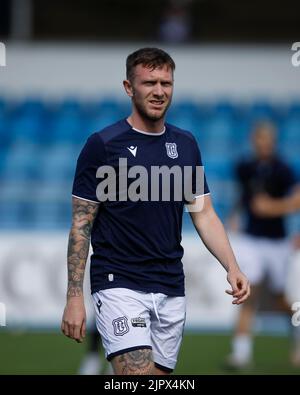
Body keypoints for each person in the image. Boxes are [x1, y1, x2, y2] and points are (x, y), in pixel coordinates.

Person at [61, 47, 250, 375]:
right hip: (118, 283)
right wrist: (74, 295)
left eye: (166, 83)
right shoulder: (104, 145)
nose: (159, 91)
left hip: (171, 287)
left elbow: (203, 214)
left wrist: (232, 266)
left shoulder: (186, 144)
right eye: (149, 83)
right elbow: (81, 224)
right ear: (128, 87)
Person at [226, 122, 298, 369]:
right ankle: (240, 354)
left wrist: (272, 208)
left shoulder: (284, 169)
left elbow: (296, 201)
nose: (263, 143)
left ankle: (297, 336)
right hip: (251, 240)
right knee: (248, 292)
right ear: (253, 140)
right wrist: (235, 214)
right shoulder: (245, 167)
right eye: (259, 138)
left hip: (277, 242)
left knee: (280, 299)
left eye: (267, 139)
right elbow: (242, 196)